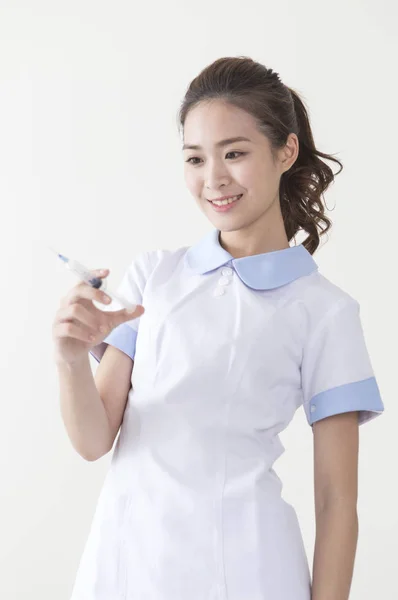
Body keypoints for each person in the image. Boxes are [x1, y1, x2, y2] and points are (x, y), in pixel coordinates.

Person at [52, 56, 384, 600]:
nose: (214, 179)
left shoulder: (324, 310)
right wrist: (69, 358)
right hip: (124, 568)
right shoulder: (152, 277)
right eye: (194, 158)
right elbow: (93, 441)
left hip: (250, 573)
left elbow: (335, 502)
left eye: (234, 153)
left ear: (286, 151)